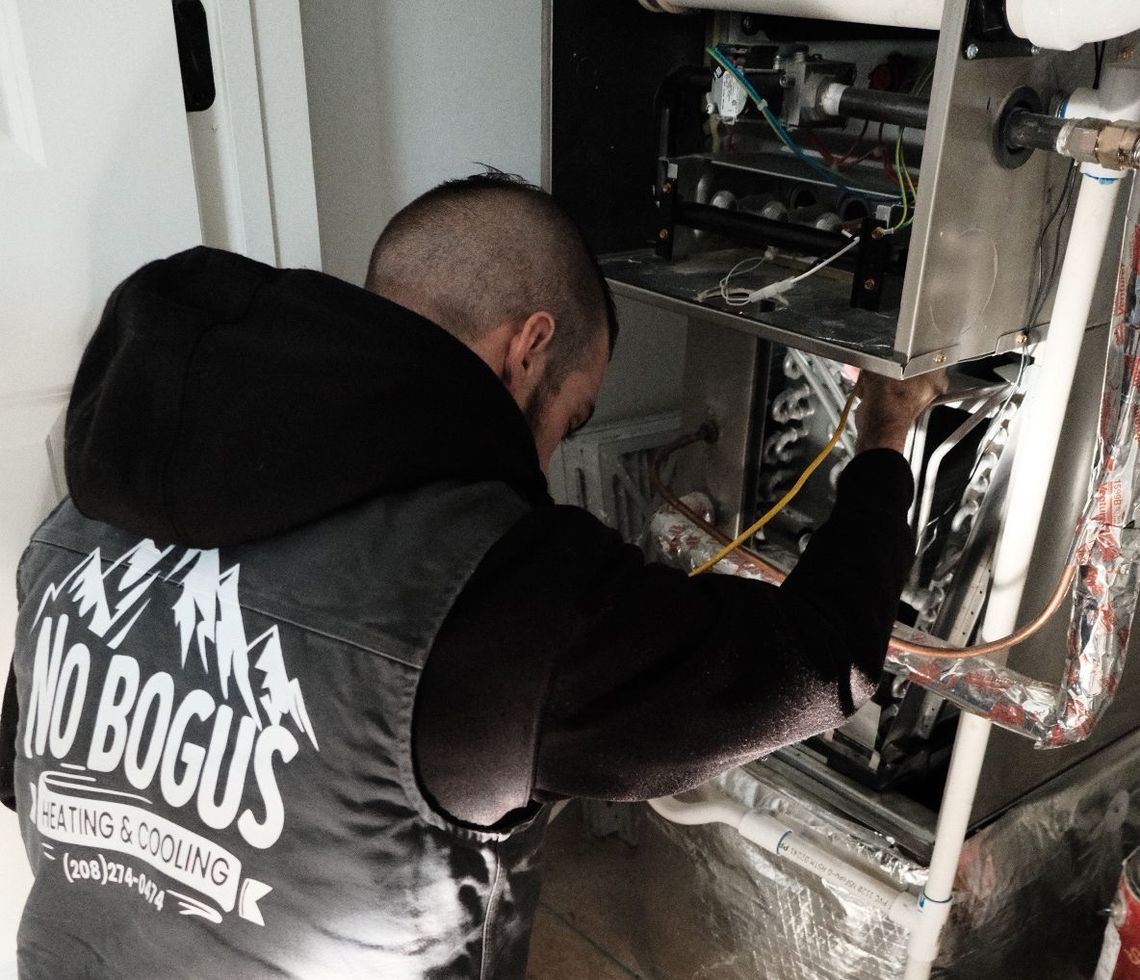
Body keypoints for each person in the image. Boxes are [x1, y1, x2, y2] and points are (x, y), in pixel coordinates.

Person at [0, 173, 945, 979]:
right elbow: (821, 660)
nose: (546, 461)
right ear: (526, 347)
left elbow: (26, 775)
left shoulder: (80, 513)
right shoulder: (497, 593)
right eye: (569, 420)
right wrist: (886, 438)